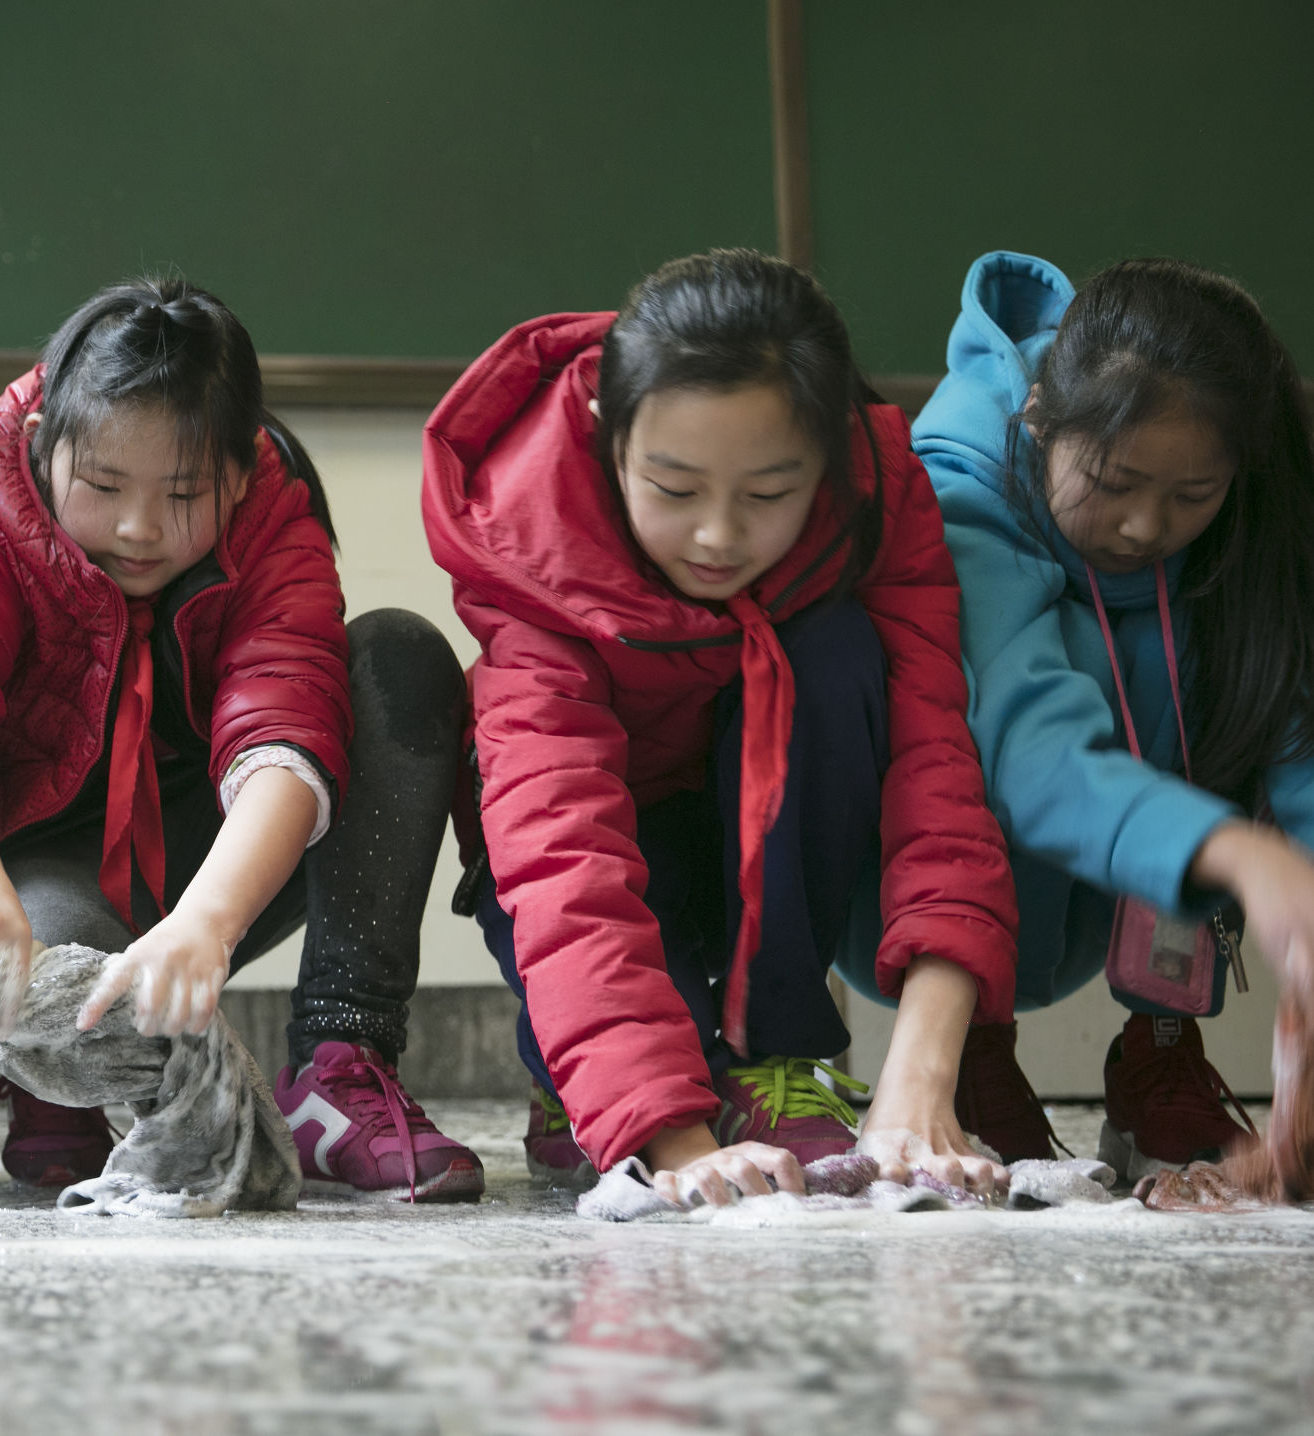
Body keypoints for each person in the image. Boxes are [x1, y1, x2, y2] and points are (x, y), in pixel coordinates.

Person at [0, 277, 483, 1201]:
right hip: (44, 862)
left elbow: (286, 725)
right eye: (103, 487)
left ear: (238, 471)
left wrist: (205, 924)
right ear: (44, 448)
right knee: (46, 973)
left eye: (184, 494)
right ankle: (69, 1092)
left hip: (209, 855)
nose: (140, 528)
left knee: (399, 657)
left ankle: (342, 1067)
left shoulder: (273, 520)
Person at [425, 249, 1018, 1210]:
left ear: (828, 463)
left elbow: (933, 771)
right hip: (611, 851)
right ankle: (581, 1088)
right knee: (647, 1067)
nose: (717, 536)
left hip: (766, 837)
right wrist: (674, 1141)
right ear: (605, 440)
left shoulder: (874, 506)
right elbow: (561, 856)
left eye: (769, 494)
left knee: (833, 648)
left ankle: (774, 1059)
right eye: (673, 488)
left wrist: (921, 1073)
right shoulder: (538, 556)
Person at [914, 251, 1314, 1182]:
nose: (1144, 527)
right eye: (1115, 481)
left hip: (1151, 847)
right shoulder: (960, 488)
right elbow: (1029, 745)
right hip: (984, 844)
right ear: (1038, 422)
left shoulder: (1256, 513)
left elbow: (1298, 724)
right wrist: (1244, 856)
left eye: (1192, 495)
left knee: (1238, 645)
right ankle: (976, 1041)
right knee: (1079, 661)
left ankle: (1161, 1041)